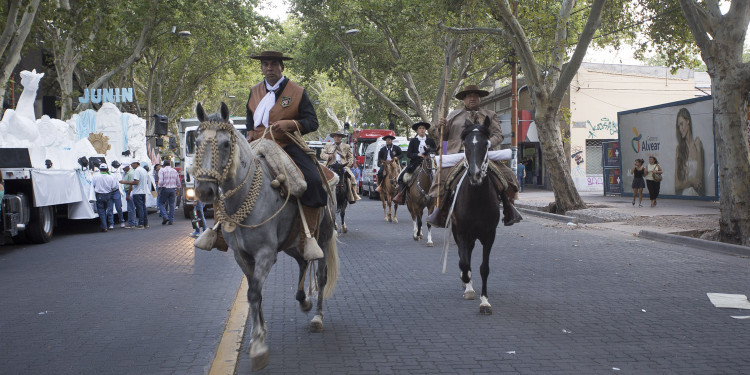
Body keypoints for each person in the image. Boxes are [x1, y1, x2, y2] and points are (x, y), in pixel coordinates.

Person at [245, 50, 327, 260]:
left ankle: (307, 237)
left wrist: (291, 124)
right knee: (226, 177)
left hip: (286, 144)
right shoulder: (254, 91)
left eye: (273, 64)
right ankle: (218, 230)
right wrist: (249, 135)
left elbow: (312, 122)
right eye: (265, 64)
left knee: (314, 182)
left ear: (282, 67)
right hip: (257, 144)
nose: (268, 68)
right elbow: (249, 120)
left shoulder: (297, 92)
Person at [426, 84, 522, 228]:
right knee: (442, 177)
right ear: (464, 99)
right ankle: (441, 211)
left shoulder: (490, 114)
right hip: (458, 155)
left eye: (475, 96)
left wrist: (489, 143)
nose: (472, 98)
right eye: (469, 96)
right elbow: (442, 137)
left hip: (483, 155)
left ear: (480, 98)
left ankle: (509, 209)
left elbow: (498, 135)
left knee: (506, 175)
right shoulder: (453, 115)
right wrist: (440, 127)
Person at [392, 122, 436, 205]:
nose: (422, 130)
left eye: (423, 128)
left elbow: (435, 150)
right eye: (420, 128)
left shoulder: (430, 140)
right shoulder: (413, 141)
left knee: (438, 176)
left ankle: (439, 196)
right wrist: (417, 154)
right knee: (403, 177)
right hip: (416, 163)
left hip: (429, 163)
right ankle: (402, 196)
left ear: (425, 130)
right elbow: (409, 154)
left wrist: (430, 152)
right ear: (417, 131)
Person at [321, 130, 361, 203]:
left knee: (352, 177)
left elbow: (350, 157)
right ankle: (321, 195)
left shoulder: (346, 146)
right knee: (321, 177)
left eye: (338, 136)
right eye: (335, 136)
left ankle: (354, 194)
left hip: (343, 166)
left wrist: (347, 165)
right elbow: (322, 155)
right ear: (333, 137)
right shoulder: (328, 145)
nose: (337, 138)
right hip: (331, 166)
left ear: (341, 138)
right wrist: (328, 156)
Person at [674, 108, 705, 196]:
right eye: (678, 126)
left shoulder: (698, 145)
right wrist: (691, 182)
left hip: (698, 199)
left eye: (681, 124)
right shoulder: (678, 149)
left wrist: (699, 150)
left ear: (688, 121)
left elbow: (700, 182)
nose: (680, 129)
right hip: (685, 199)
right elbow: (676, 185)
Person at [123, 159, 150, 228]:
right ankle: (145, 223)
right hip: (143, 191)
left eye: (132, 164)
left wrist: (125, 182)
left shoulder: (137, 171)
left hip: (137, 192)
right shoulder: (143, 170)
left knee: (140, 208)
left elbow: (136, 182)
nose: (131, 166)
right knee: (143, 208)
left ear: (135, 163)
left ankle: (141, 224)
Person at [92, 163, 117, 232]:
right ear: (106, 169)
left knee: (101, 211)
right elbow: (113, 187)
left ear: (100, 169)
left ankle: (104, 226)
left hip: (99, 195)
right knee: (107, 209)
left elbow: (93, 185)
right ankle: (108, 224)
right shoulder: (110, 177)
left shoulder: (96, 176)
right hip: (108, 195)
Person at [157, 160, 181, 225]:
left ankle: (165, 216)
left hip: (165, 189)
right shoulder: (174, 171)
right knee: (172, 205)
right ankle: (171, 220)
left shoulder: (162, 170)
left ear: (164, 165)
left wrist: (159, 189)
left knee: (161, 203)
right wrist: (178, 190)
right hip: (173, 189)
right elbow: (178, 182)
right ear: (170, 164)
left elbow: (161, 181)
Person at [119, 159, 137, 228]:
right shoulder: (127, 172)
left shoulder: (130, 173)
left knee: (131, 208)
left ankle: (132, 222)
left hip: (130, 191)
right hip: (128, 191)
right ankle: (132, 222)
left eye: (124, 167)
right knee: (130, 207)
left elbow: (131, 184)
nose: (123, 168)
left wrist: (128, 194)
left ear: (128, 166)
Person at [109, 160, 126, 227]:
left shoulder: (116, 173)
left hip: (115, 191)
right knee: (110, 208)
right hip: (111, 192)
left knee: (118, 207)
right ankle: (111, 223)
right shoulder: (110, 173)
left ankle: (121, 221)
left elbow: (119, 183)